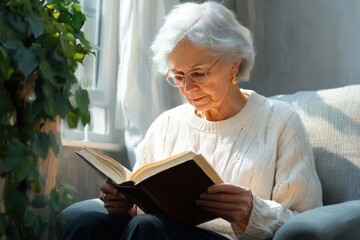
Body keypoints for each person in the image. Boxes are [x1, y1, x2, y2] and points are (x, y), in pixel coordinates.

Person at [62, 1, 322, 239]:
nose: (188, 88)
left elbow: (305, 222)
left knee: (148, 228)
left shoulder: (280, 121)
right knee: (87, 223)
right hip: (157, 231)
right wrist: (126, 205)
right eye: (178, 76)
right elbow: (143, 201)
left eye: (199, 73)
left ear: (233, 65)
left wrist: (252, 212)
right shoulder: (168, 124)